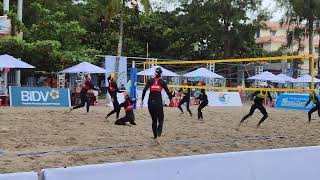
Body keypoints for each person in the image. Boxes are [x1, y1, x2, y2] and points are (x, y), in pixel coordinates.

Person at [140, 67, 172, 144]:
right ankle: (158, 136)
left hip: (150, 103)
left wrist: (142, 101)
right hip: (158, 103)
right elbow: (168, 92)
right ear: (161, 74)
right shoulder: (162, 82)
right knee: (160, 120)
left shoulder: (150, 80)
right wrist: (171, 100)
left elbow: (144, 90)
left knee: (154, 120)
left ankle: (155, 137)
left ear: (154, 73)